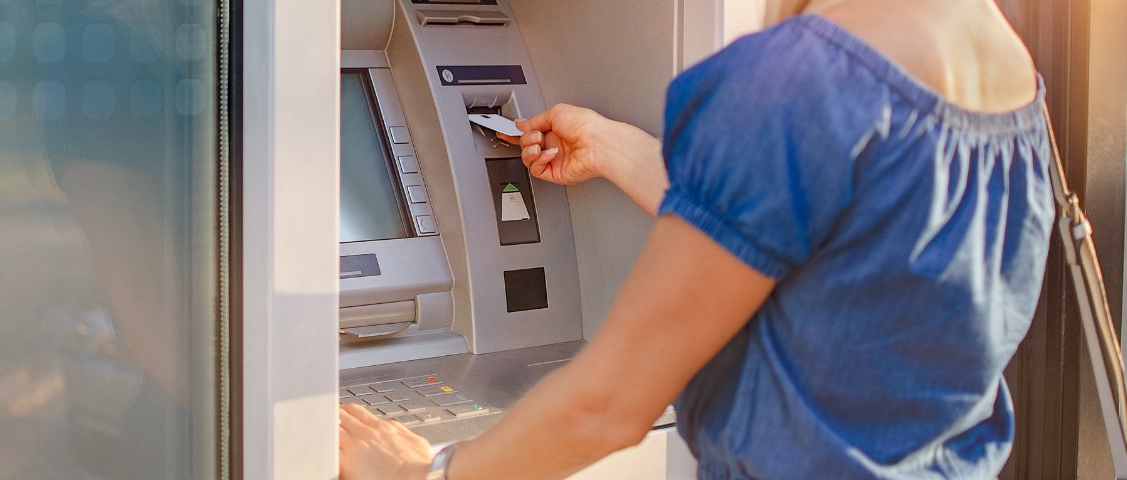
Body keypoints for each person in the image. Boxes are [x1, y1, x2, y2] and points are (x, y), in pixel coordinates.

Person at [338, 0, 1050, 478]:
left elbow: (610, 405)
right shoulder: (998, 56)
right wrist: (619, 150)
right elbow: (843, 246)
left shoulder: (793, 78)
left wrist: (421, 472)